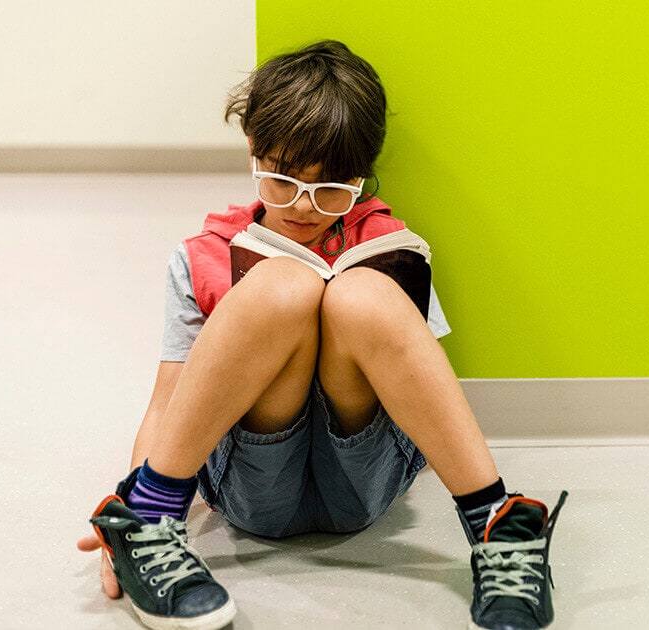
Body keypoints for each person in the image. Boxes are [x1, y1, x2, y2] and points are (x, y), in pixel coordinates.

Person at [77, 40, 567, 630]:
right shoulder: (201, 257)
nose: (304, 208)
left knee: (361, 293)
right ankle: (148, 520)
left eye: (331, 189)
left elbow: (423, 391)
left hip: (365, 476)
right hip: (253, 483)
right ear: (254, 154)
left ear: (361, 178)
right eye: (282, 182)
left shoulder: (388, 245)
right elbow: (165, 402)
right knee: (282, 286)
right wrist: (134, 495)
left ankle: (498, 527)